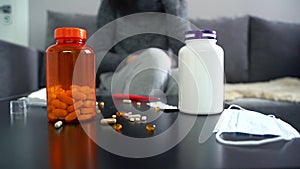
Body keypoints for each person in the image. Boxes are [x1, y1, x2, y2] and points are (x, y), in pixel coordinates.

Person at [94, 0, 190, 96]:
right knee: (156, 57)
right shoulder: (110, 3)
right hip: (122, 73)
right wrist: (128, 60)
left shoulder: (176, 4)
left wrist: (173, 7)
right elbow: (97, 57)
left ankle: (147, 103)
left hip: (163, 72)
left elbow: (187, 54)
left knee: (188, 80)